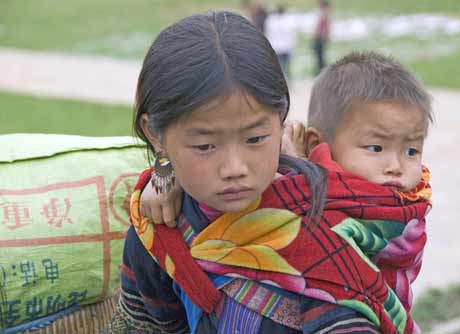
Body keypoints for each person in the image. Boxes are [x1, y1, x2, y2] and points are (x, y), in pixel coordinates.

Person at [110, 11, 431, 334]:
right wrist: (164, 173)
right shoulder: (157, 232)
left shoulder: (320, 219)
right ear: (155, 134)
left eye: (255, 139)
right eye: (206, 146)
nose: (235, 169)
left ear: (280, 121)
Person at [265, 4, 296, 79]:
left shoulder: (271, 20)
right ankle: (289, 79)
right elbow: (291, 34)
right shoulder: (288, 20)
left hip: (276, 47)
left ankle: (280, 80)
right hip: (286, 47)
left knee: (278, 67)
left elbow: (268, 33)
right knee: (287, 66)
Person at [312, 0, 332, 75]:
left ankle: (322, 72)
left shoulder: (324, 14)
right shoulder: (324, 14)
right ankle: (322, 71)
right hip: (320, 38)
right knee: (319, 56)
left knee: (320, 57)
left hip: (320, 38)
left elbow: (323, 28)